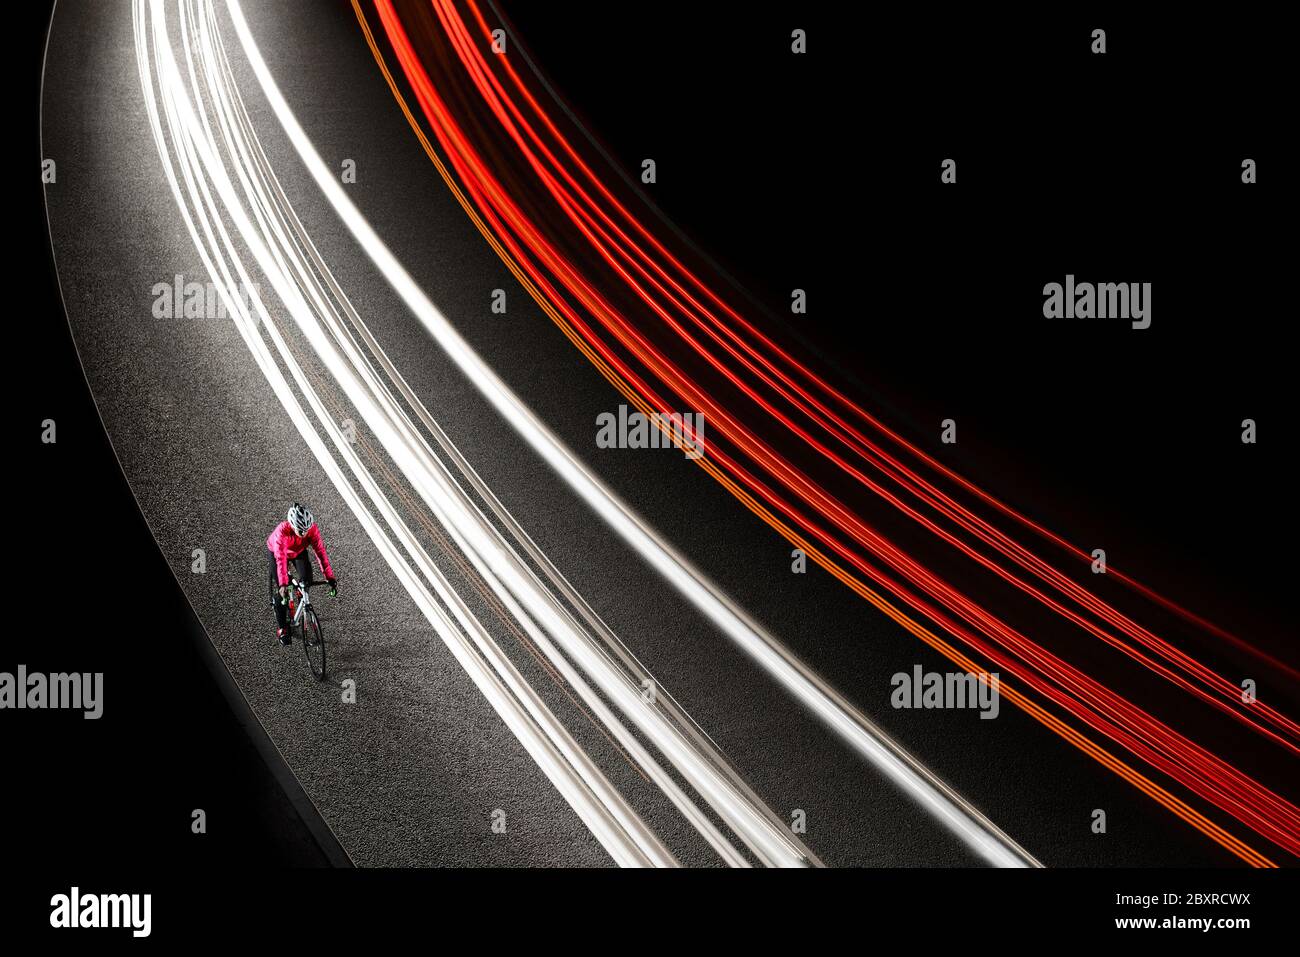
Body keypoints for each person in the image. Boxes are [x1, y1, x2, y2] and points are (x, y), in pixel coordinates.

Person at [266, 503, 336, 646]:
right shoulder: (282, 532)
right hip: (278, 553)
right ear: (292, 525)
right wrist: (283, 584)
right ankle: (282, 629)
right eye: (300, 530)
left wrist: (329, 577)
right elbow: (280, 559)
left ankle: (299, 593)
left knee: (307, 581)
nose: (304, 533)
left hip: (298, 552)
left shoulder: (312, 530)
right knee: (282, 594)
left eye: (306, 530)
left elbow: (320, 553)